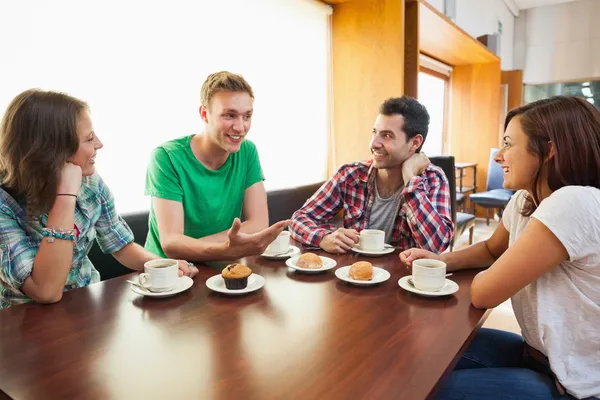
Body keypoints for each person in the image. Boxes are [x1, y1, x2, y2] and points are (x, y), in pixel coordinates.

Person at [400, 96, 600, 400]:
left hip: (574, 385)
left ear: (548, 150)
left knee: (423, 389)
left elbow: (484, 293)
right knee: (419, 350)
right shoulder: (526, 200)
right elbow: (492, 250)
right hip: (536, 355)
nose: (499, 156)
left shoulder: (573, 202)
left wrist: (491, 275)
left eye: (508, 144)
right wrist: (440, 260)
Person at [0, 89, 198, 309]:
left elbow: (120, 245)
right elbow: (46, 291)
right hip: (24, 322)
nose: (99, 144)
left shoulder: (89, 180)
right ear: (52, 151)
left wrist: (162, 266)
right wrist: (65, 195)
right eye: (89, 138)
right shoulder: (4, 206)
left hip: (86, 306)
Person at [144, 71, 289, 261]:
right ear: (204, 114)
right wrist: (227, 248)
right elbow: (171, 243)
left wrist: (204, 248)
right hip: (169, 273)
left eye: (247, 116)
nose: (240, 127)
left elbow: (259, 223)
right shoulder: (166, 157)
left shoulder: (247, 151)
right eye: (229, 115)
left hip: (219, 266)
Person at [290, 96, 453, 254]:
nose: (374, 143)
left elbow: (436, 246)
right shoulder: (350, 175)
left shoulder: (433, 179)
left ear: (415, 143)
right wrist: (323, 238)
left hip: (403, 278)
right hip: (353, 275)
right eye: (375, 132)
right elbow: (299, 219)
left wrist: (411, 179)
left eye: (387, 136)